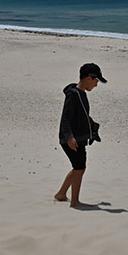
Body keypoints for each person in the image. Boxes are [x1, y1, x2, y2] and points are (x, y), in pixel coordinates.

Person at [54, 62, 106, 208]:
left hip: (78, 138)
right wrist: (70, 137)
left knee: (78, 167)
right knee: (79, 168)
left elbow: (80, 113)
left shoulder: (81, 94)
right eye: (96, 81)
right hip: (71, 139)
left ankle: (61, 194)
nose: (96, 85)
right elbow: (66, 117)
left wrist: (89, 121)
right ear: (89, 78)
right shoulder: (74, 94)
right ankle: (75, 201)